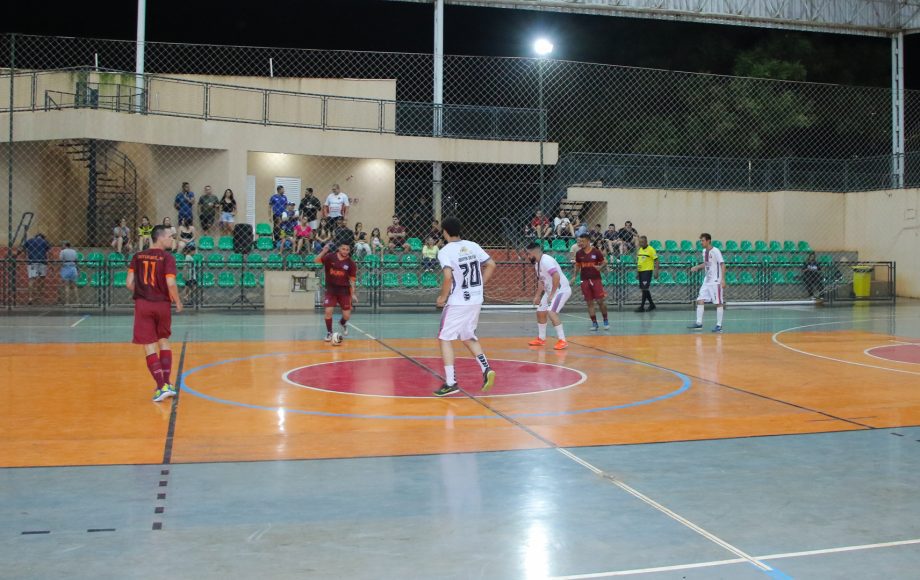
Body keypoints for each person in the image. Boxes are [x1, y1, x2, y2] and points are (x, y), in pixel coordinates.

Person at [433, 217, 497, 397]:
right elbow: (491, 264)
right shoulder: (473, 246)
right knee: (468, 336)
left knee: (444, 338)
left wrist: (442, 297)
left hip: (458, 301)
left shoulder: (445, 251)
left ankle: (451, 382)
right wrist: (480, 285)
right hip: (476, 299)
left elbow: (447, 277)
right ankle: (486, 369)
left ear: (444, 232)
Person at [126, 225, 183, 402]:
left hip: (143, 304)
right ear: (160, 238)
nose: (172, 239)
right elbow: (170, 282)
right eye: (170, 237)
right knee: (163, 341)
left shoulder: (137, 257)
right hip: (162, 304)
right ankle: (166, 384)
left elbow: (129, 283)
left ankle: (161, 386)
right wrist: (178, 301)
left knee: (149, 344)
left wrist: (143, 292)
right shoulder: (167, 258)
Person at [525, 241, 571, 350]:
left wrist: (552, 294)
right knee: (540, 312)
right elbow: (542, 281)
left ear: (533, 253)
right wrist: (537, 296)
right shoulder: (537, 264)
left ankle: (562, 340)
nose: (527, 257)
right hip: (550, 291)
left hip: (561, 290)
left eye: (528, 254)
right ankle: (541, 339)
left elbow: (556, 276)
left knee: (551, 312)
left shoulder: (546, 261)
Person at [314, 240, 358, 342]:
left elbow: (352, 280)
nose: (345, 251)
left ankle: (342, 323)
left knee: (347, 316)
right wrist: (324, 251)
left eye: (347, 249)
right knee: (328, 311)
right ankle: (329, 332)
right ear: (339, 248)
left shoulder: (351, 263)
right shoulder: (330, 257)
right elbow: (316, 260)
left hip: (344, 291)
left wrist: (353, 293)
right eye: (343, 249)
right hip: (331, 290)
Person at [688, 233, 726, 333]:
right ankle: (699, 323)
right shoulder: (704, 251)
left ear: (708, 241)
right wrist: (697, 267)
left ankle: (719, 325)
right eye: (700, 240)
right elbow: (706, 264)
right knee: (700, 299)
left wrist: (722, 279)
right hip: (707, 280)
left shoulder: (716, 251)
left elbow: (722, 264)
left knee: (718, 303)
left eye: (702, 240)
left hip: (716, 281)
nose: (701, 242)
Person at [575, 233, 609, 331]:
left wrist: (600, 267)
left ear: (588, 241)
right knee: (589, 302)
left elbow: (605, 262)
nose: (580, 243)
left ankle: (605, 320)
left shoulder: (596, 252)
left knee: (600, 301)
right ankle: (594, 323)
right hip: (584, 280)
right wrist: (574, 277)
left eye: (582, 241)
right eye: (579, 241)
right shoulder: (579, 254)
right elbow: (577, 266)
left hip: (596, 279)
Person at [21, 233, 51, 305]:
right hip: (42, 261)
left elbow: (22, 249)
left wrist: (24, 257)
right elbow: (49, 252)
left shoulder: (30, 240)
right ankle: (39, 297)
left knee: (32, 279)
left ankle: (30, 298)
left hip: (32, 262)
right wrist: (50, 263)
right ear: (42, 237)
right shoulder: (45, 241)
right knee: (42, 279)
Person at [635, 235, 660, 313]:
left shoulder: (651, 250)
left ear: (646, 242)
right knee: (644, 289)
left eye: (642, 242)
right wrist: (637, 272)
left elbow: (656, 261)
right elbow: (639, 261)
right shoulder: (640, 250)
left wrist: (656, 271)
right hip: (641, 272)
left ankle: (642, 307)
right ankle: (652, 304)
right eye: (640, 242)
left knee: (644, 289)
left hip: (647, 271)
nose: (640, 243)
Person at [59, 241, 79, 305]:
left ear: (65, 245)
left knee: (66, 286)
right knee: (75, 286)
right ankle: (77, 302)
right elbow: (76, 260)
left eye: (62, 245)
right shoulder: (74, 251)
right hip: (73, 268)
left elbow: (61, 260)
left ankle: (67, 302)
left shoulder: (63, 251)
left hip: (66, 268)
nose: (62, 246)